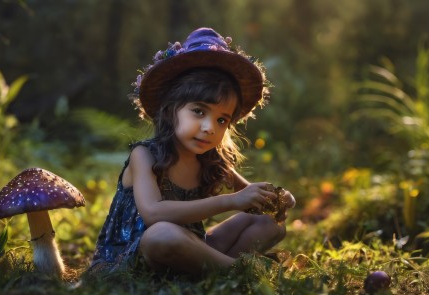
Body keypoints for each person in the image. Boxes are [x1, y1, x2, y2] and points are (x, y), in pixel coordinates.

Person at [89, 27, 295, 275]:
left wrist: (275, 199)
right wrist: (230, 201)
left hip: (192, 247)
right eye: (198, 111)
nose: (209, 128)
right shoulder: (144, 156)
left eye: (221, 120)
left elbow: (251, 197)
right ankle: (240, 271)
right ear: (170, 110)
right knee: (161, 234)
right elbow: (153, 213)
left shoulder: (212, 160)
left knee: (271, 223)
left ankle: (211, 269)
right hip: (138, 255)